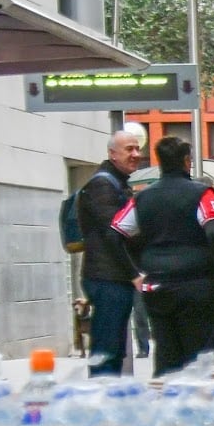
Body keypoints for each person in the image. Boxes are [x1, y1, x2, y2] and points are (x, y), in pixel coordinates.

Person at [111, 136, 214, 378]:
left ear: (160, 163)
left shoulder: (142, 197)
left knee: (166, 353)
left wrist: (134, 272)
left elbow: (116, 232)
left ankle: (166, 404)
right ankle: (194, 409)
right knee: (198, 361)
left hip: (157, 286)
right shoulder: (203, 193)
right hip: (197, 285)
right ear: (187, 162)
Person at [77, 131, 142, 376]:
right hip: (107, 278)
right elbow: (112, 234)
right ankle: (102, 398)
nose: (136, 154)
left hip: (112, 277)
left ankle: (107, 395)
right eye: (129, 149)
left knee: (113, 348)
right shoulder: (103, 185)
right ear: (112, 154)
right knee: (107, 349)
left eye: (137, 148)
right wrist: (133, 273)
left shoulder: (116, 182)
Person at [132, 290, 151, 359]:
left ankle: (144, 350)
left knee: (141, 327)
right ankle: (142, 349)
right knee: (139, 328)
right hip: (138, 305)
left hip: (140, 306)